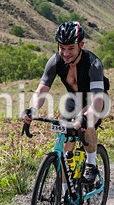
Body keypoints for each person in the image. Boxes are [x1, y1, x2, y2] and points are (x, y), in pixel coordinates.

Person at [23, 21, 108, 185]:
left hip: (95, 100)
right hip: (74, 99)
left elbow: (97, 101)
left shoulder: (93, 64)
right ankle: (64, 190)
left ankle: (91, 164)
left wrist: (85, 118)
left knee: (87, 123)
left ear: (81, 45)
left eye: (71, 48)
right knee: (64, 141)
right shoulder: (55, 61)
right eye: (62, 48)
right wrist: (32, 109)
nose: (65, 53)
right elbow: (41, 90)